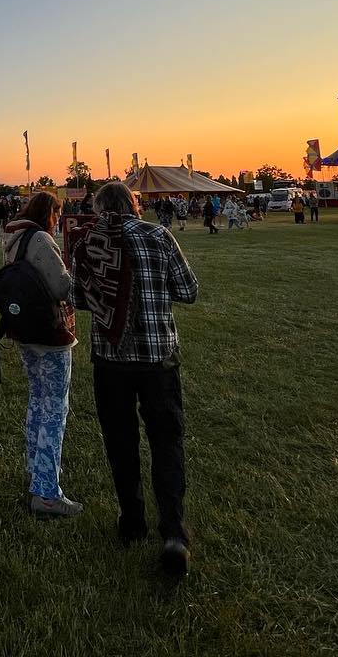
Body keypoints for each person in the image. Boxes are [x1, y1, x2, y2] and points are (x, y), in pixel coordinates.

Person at [71, 182, 199, 575]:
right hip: (158, 358)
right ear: (132, 205)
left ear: (100, 208)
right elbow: (189, 290)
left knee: (120, 442)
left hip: (110, 360)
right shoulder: (159, 235)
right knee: (166, 441)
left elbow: (78, 299)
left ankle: (132, 522)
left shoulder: (88, 241)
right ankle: (174, 532)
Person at [0, 189, 79, 518]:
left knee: (37, 401)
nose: (59, 219)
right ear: (48, 212)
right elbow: (61, 287)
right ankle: (46, 493)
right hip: (49, 335)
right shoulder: (40, 240)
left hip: (25, 331)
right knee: (54, 410)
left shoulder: (14, 238)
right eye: (57, 213)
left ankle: (37, 470)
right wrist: (72, 269)